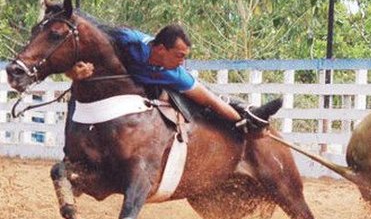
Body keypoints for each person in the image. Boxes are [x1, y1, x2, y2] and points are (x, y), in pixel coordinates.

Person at [66, 24, 267, 133]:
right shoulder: (128, 40)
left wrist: (241, 121)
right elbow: (85, 39)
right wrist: (73, 71)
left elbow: (209, 99)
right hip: (100, 97)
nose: (182, 62)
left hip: (142, 97)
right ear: (161, 49)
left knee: (203, 105)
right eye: (179, 55)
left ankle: (248, 112)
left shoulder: (175, 73)